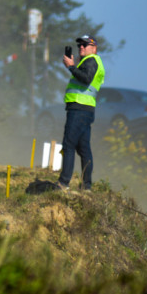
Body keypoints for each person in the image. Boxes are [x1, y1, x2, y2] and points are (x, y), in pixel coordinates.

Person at [58, 34, 106, 190]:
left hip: (79, 108)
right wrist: (74, 66)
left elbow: (86, 79)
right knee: (83, 148)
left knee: (69, 145)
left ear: (94, 48)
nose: (81, 47)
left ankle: (63, 183)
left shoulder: (92, 60)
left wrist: (71, 67)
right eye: (80, 45)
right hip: (84, 109)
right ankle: (86, 187)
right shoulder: (88, 61)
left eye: (85, 45)